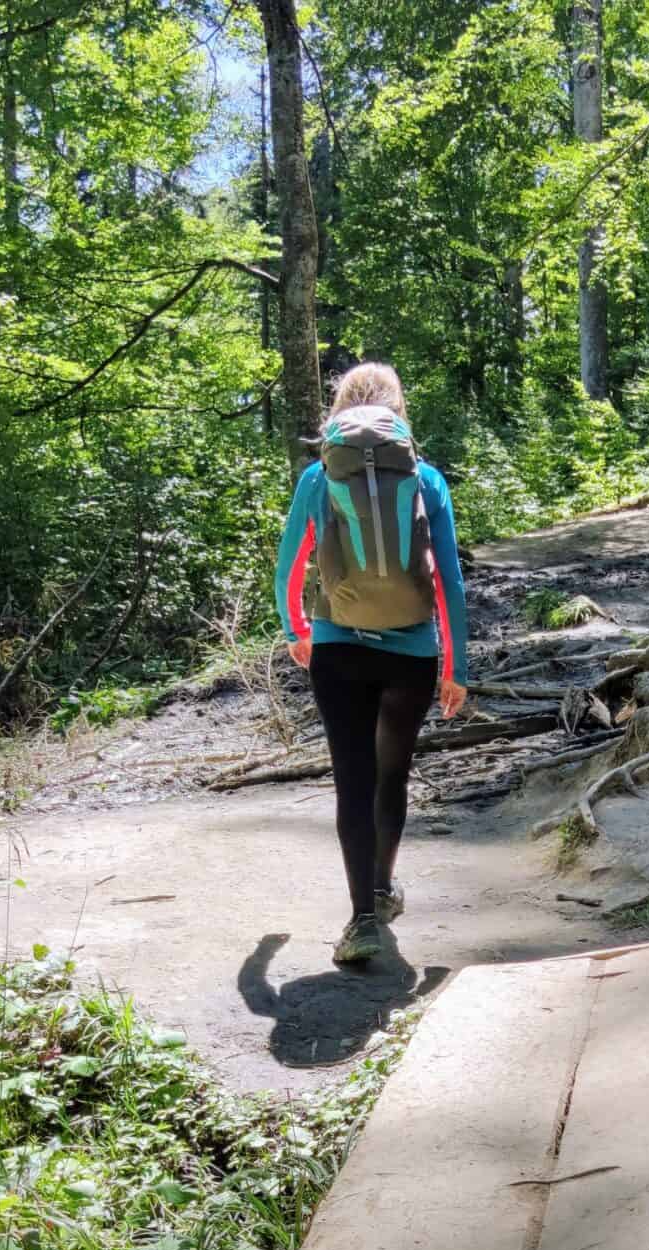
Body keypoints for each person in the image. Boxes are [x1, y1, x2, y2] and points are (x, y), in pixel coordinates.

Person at [273, 362, 472, 968]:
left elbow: (289, 565)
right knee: (393, 774)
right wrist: (455, 666)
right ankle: (384, 891)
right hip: (412, 652)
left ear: (339, 412)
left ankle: (361, 920)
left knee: (352, 780)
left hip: (337, 649)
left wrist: (296, 630)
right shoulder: (425, 477)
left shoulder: (318, 475)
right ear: (396, 412)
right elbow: (449, 581)